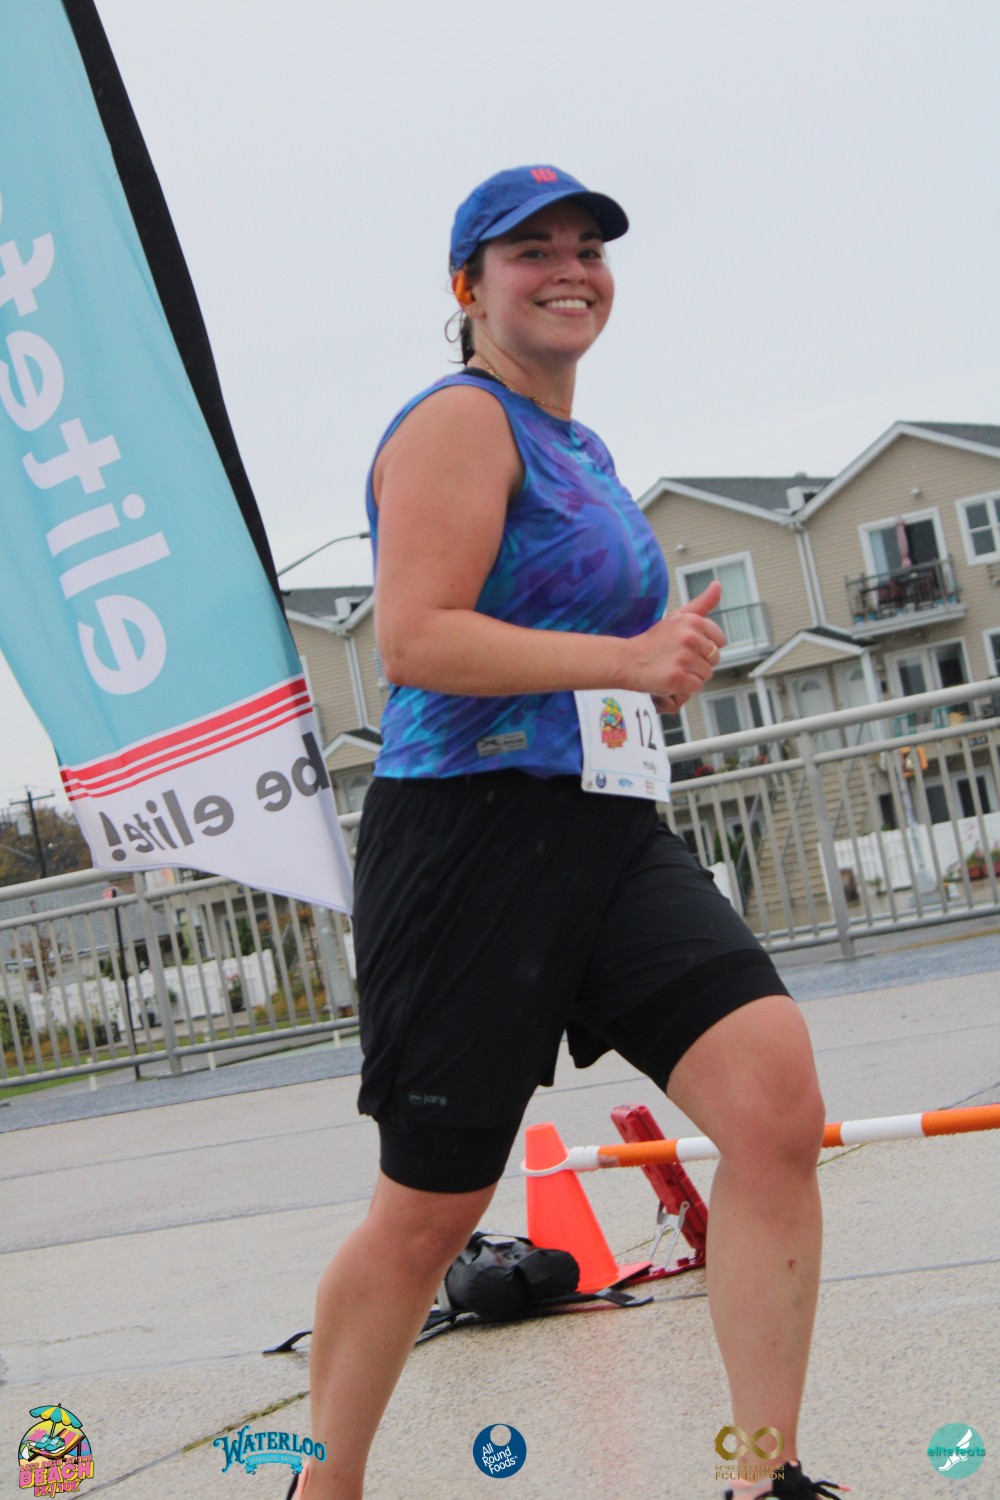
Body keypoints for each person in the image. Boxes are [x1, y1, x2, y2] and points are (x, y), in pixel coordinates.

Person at [287, 165, 845, 1500]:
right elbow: (416, 640)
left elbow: (598, 649)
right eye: (530, 249)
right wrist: (625, 657)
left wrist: (661, 665)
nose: (570, 268)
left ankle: (763, 1479)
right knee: (429, 1214)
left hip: (604, 831)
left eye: (588, 245)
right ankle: (320, 1485)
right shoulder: (458, 421)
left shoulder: (577, 449)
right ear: (468, 286)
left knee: (774, 1109)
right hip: (467, 842)